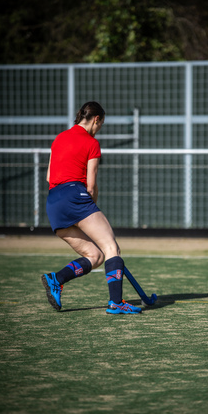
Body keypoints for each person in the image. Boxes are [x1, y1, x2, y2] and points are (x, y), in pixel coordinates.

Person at [41, 101, 142, 315]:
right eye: (100, 125)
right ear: (96, 119)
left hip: (53, 203)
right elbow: (91, 184)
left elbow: (49, 177)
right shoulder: (91, 143)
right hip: (76, 197)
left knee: (95, 256)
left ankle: (57, 279)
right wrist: (90, 207)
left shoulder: (59, 138)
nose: (99, 130)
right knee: (111, 248)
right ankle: (116, 302)